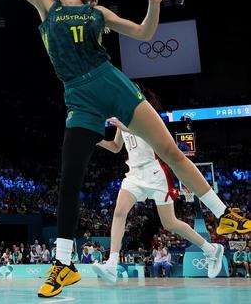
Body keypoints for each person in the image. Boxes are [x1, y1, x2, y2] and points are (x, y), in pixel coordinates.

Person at [0, 0, 250, 298]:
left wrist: (153, 4)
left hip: (109, 82)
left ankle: (225, 214)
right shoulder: (47, 7)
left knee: (171, 150)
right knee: (69, 179)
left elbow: (145, 35)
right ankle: (64, 264)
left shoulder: (97, 12)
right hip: (78, 96)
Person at [93, 92, 224, 283]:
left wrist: (123, 125)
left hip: (156, 173)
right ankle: (112, 264)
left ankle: (211, 249)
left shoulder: (146, 116)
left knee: (169, 223)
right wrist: (96, 140)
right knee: (119, 212)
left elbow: (143, 134)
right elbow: (115, 146)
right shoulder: (122, 120)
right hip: (134, 175)